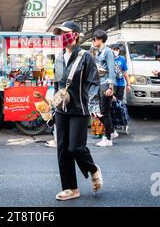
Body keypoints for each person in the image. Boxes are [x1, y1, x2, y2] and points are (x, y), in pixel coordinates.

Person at [53, 21, 103, 201]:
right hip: (62, 109)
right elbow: (58, 84)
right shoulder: (58, 57)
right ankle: (71, 189)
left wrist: (95, 107)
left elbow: (94, 82)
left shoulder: (85, 57)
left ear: (75, 34)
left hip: (80, 108)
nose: (62, 36)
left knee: (75, 147)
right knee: (62, 149)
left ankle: (93, 168)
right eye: (59, 33)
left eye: (65, 33)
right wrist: (52, 106)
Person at [92, 30, 117, 147]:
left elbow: (111, 69)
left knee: (104, 112)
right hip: (100, 84)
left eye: (94, 39)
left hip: (106, 84)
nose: (93, 41)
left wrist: (111, 87)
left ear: (100, 39)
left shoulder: (108, 52)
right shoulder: (98, 53)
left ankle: (108, 138)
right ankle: (111, 131)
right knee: (101, 111)